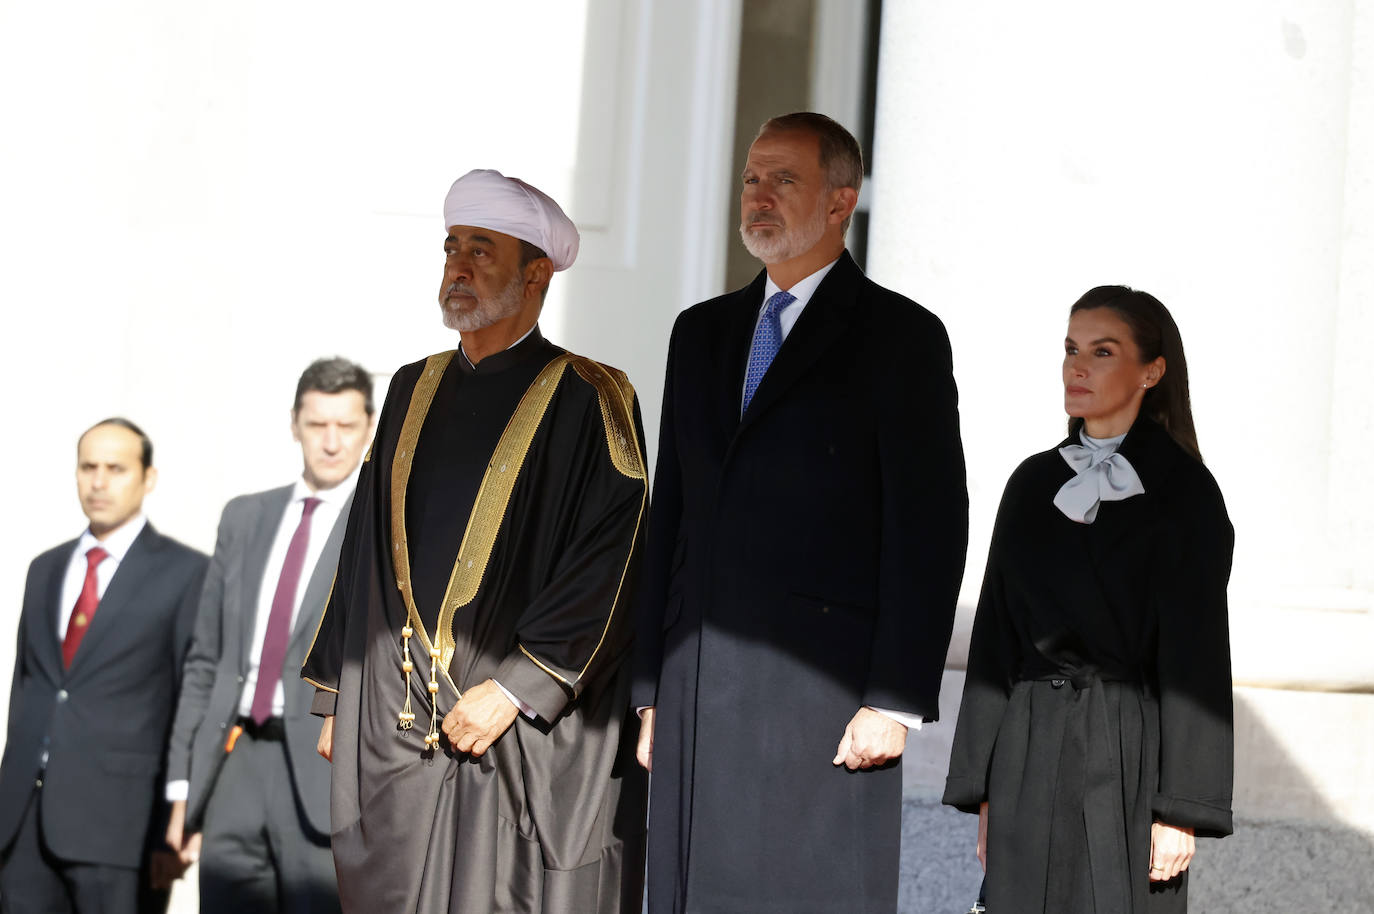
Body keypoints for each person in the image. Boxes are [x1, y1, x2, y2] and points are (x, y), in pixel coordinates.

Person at [632, 112, 969, 913]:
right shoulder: (700, 332)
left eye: (785, 179)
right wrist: (650, 686)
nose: (759, 196)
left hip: (824, 699)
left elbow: (929, 527)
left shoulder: (902, 337)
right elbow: (669, 514)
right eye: (752, 178)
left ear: (840, 201)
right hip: (697, 685)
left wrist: (894, 699)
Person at [301, 169, 649, 914]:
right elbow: (363, 549)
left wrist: (521, 689)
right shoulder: (408, 386)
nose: (458, 267)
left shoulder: (593, 396)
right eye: (452, 247)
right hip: (397, 720)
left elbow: (615, 558)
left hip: (514, 732)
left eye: (481, 252)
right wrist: (337, 692)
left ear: (536, 274)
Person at [943, 286, 1235, 913]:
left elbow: (1198, 656)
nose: (1077, 367)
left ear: (1151, 371)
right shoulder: (1030, 483)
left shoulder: (1187, 493)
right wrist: (988, 787)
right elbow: (995, 639)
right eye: (1071, 349)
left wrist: (1181, 809)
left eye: (1102, 351)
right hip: (1030, 750)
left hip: (1130, 756)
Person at [162, 357, 374, 912]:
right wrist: (183, 788)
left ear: (369, 428)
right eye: (317, 425)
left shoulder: (378, 527)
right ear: (294, 425)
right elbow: (206, 659)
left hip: (326, 767)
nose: (330, 442)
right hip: (235, 761)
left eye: (346, 426)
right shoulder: (244, 518)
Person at [0, 418, 208, 914]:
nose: (98, 481)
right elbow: (26, 687)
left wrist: (174, 824)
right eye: (88, 467)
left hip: (123, 830)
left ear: (147, 477)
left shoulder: (186, 573)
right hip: (22, 823)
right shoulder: (45, 568)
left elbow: (188, 702)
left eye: (115, 468)